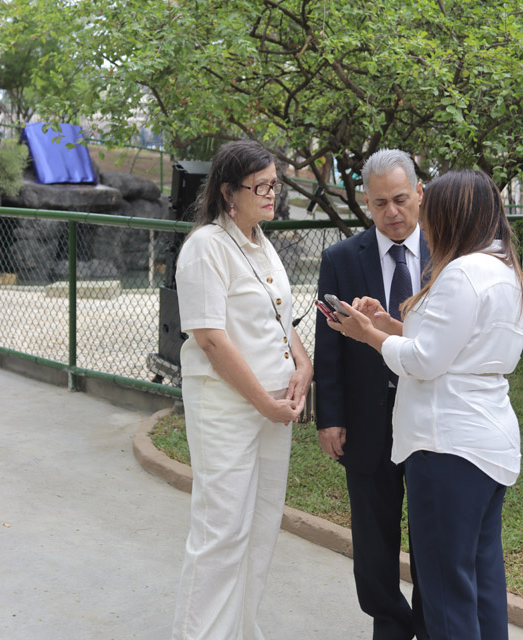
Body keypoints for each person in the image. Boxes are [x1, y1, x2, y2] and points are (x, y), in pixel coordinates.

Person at [327, 169, 523, 640]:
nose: (423, 223)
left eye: (428, 211)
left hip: (446, 447)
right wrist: (391, 325)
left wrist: (368, 335)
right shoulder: (501, 269)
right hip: (486, 444)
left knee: (444, 592)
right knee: (480, 584)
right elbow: (455, 345)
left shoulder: (460, 272)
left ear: (451, 215)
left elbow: (425, 360)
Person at [171, 140, 313, 640]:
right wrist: (263, 402)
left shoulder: (261, 240)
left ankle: (242, 631)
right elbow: (210, 338)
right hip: (229, 407)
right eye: (261, 186)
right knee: (222, 531)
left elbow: (279, 315)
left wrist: (302, 363)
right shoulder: (206, 246)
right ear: (229, 192)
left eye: (276, 183)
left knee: (260, 527)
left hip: (275, 405)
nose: (272, 194)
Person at [314, 148, 430, 640]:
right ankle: (391, 624)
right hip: (365, 419)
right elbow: (329, 346)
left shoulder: (448, 255)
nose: (393, 212)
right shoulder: (341, 259)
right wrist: (329, 416)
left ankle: (429, 623)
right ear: (366, 201)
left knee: (430, 533)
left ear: (420, 192)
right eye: (380, 203)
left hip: (428, 417)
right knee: (373, 536)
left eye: (401, 199)